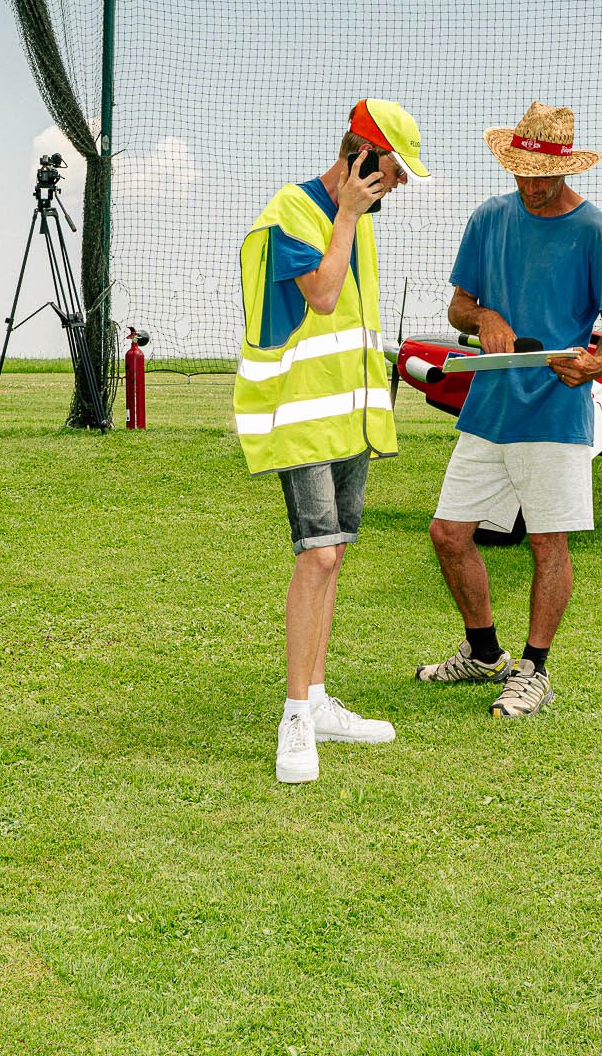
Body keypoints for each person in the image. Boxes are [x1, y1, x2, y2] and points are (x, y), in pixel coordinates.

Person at [415, 101, 602, 717]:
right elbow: (459, 306)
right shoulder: (489, 218)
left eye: (543, 176)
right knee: (449, 535)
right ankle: (484, 654)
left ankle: (533, 670)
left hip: (557, 413)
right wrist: (483, 314)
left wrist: (594, 365)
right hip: (490, 407)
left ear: (567, 167)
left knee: (547, 544)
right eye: (521, 174)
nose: (532, 188)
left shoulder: (598, 233)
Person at [235, 99, 429, 783]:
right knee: (315, 556)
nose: (397, 185)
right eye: (393, 171)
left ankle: (316, 700)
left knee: (334, 555)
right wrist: (345, 212)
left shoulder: (363, 227)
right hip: (299, 418)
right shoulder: (293, 209)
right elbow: (319, 295)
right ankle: (294, 715)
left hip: (346, 418)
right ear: (361, 157)